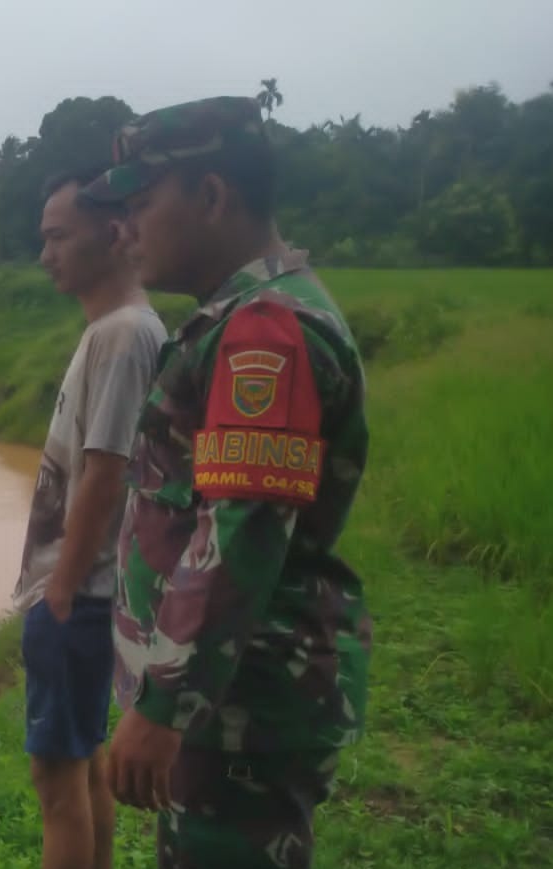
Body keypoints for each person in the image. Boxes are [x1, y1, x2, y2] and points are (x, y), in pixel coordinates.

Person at [79, 96, 372, 869]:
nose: (125, 226)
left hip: (238, 702)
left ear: (211, 197)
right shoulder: (236, 314)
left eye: (143, 202)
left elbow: (239, 528)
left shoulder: (265, 331)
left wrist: (167, 701)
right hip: (227, 694)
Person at [13, 167, 167, 869]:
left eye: (58, 237)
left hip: (79, 592)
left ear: (111, 235)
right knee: (82, 758)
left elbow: (105, 470)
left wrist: (61, 589)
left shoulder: (122, 334)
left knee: (56, 783)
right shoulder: (121, 329)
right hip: (93, 591)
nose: (47, 253)